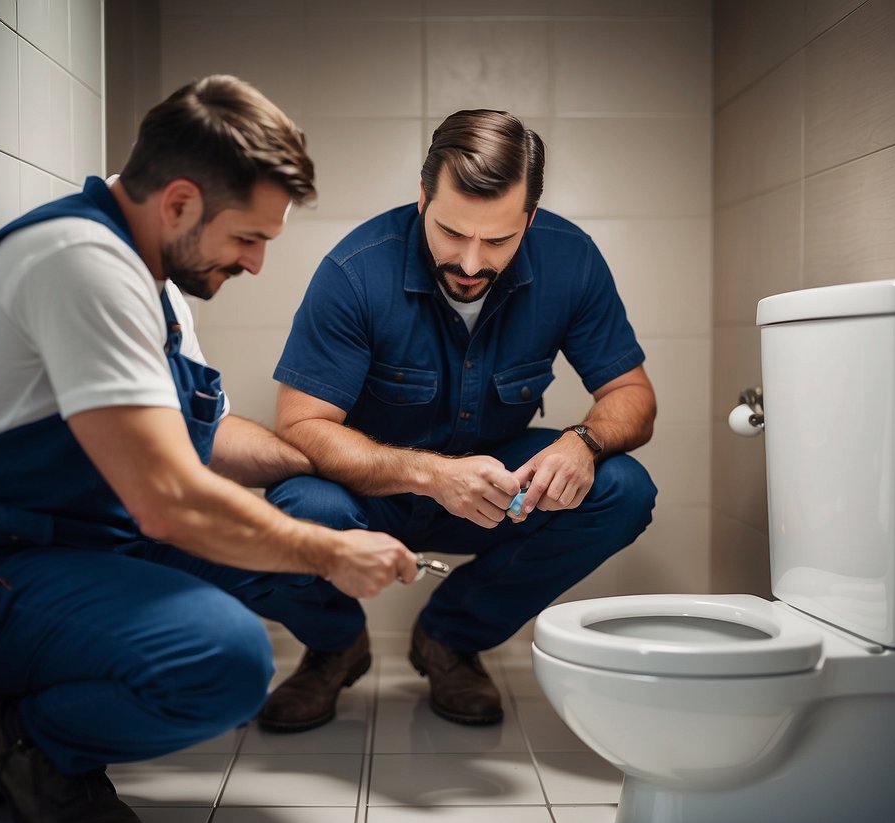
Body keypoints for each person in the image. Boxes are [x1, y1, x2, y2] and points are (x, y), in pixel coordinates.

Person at [0, 75, 419, 823]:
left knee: (303, 515)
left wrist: (326, 461)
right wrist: (327, 554)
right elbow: (169, 497)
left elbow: (195, 440)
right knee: (231, 658)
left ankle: (330, 651)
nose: (255, 264)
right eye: (248, 238)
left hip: (90, 545)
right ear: (179, 202)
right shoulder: (80, 265)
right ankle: (27, 745)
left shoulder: (155, 277)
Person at [257, 109, 658, 732]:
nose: (471, 263)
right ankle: (334, 647)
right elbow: (301, 427)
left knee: (624, 488)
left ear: (529, 218)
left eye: (498, 241)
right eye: (450, 232)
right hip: (376, 492)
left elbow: (632, 394)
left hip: (500, 487)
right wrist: (429, 475)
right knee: (298, 508)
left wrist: (583, 442)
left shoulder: (571, 259)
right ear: (423, 198)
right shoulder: (355, 270)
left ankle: (449, 638)